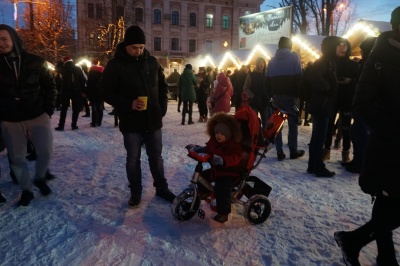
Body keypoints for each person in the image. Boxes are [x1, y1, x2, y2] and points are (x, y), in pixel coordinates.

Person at [334, 7, 400, 266]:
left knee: (388, 202)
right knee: (389, 200)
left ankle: (383, 256)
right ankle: (354, 242)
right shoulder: (380, 58)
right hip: (389, 145)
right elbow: (362, 103)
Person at [102, 25, 175, 209]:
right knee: (133, 159)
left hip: (153, 119)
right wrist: (128, 104)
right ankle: (136, 191)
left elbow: (163, 86)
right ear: (126, 45)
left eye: (141, 47)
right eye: (134, 47)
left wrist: (161, 108)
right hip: (131, 121)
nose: (138, 51)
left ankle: (161, 188)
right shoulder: (115, 65)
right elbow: (106, 91)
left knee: (156, 157)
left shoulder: (151, 61)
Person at [0, 24, 57, 206]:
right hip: (10, 120)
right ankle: (27, 190)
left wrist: (47, 111)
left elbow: (50, 87)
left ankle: (40, 177)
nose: (1, 44)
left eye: (4, 39)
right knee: (17, 158)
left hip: (37, 115)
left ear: (13, 39)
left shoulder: (35, 61)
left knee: (45, 152)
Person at [186, 112, 243, 223]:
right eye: (216, 132)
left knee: (222, 189)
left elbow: (236, 157)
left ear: (229, 134)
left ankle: (223, 212)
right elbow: (208, 149)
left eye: (222, 133)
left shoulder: (234, 145)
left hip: (230, 173)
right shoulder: (214, 141)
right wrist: (197, 148)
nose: (218, 135)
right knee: (202, 177)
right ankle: (204, 191)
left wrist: (224, 160)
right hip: (217, 170)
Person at [306, 36, 347, 178]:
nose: (342, 48)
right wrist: (327, 87)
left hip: (323, 104)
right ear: (331, 47)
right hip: (321, 105)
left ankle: (313, 165)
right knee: (319, 137)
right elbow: (312, 76)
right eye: (338, 45)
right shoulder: (324, 62)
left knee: (318, 136)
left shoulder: (329, 62)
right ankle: (317, 166)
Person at [266, 37, 304, 161]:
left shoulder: (271, 61)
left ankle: (279, 152)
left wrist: (271, 95)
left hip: (276, 97)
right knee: (293, 125)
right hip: (290, 96)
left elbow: (266, 81)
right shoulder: (294, 57)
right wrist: (297, 96)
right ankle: (293, 150)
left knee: (278, 124)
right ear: (290, 45)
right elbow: (299, 78)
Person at [343, 37, 377, 174]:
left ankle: (361, 162)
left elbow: (366, 83)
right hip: (360, 104)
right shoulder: (367, 63)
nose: (361, 53)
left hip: (366, 105)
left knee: (362, 135)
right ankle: (357, 159)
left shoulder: (372, 64)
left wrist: (353, 80)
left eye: (363, 50)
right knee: (356, 133)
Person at [322, 39, 358, 164]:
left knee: (346, 127)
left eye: (345, 46)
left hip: (347, 99)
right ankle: (326, 151)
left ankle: (345, 153)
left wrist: (351, 81)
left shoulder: (353, 64)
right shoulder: (330, 63)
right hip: (333, 98)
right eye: (339, 45)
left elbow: (357, 80)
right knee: (329, 125)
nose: (342, 48)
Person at [55, 56, 86, 131]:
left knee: (64, 109)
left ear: (65, 62)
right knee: (75, 109)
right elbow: (82, 80)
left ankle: (61, 125)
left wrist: (60, 61)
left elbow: (57, 68)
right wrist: (83, 91)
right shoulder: (78, 68)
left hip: (65, 90)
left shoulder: (63, 68)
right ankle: (74, 125)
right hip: (76, 90)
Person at [243, 57, 270, 128]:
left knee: (266, 123)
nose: (261, 64)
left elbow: (270, 87)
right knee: (254, 123)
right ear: (257, 64)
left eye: (263, 62)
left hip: (264, 102)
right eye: (260, 62)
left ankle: (265, 138)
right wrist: (252, 96)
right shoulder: (251, 75)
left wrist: (269, 96)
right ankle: (255, 137)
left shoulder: (267, 75)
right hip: (254, 102)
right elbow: (245, 88)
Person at [86, 59, 104, 127]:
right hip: (101, 92)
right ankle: (99, 122)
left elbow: (89, 83)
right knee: (100, 106)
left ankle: (94, 122)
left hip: (93, 92)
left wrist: (87, 92)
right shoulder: (103, 70)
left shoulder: (91, 71)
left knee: (94, 107)